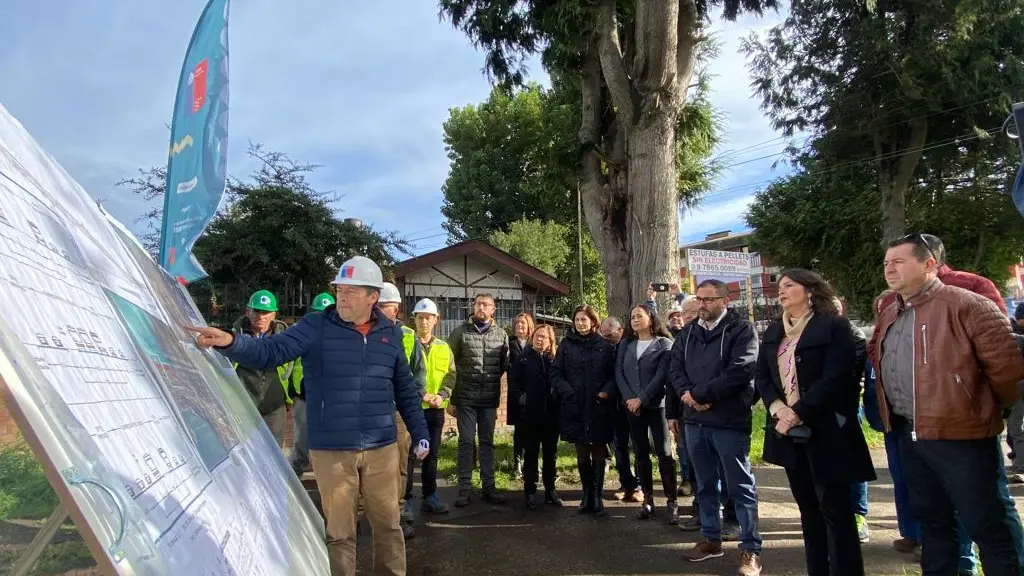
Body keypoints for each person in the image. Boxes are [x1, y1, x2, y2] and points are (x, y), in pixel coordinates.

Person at [187, 256, 429, 576]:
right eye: (339, 289)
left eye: (351, 292)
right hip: (332, 450)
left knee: (388, 527)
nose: (342, 297)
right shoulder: (316, 327)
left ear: (373, 297)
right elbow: (270, 352)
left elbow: (406, 389)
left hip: (382, 447)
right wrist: (231, 342)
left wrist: (420, 431)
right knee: (340, 532)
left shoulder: (392, 336)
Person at [873, 234, 1024, 576]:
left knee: (988, 522)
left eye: (898, 261)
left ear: (929, 264)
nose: (889, 269)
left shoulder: (968, 304)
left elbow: (1007, 372)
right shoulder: (891, 311)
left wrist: (975, 409)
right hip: (911, 434)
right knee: (934, 521)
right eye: (886, 262)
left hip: (963, 435)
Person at [756, 269, 875, 576]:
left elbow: (836, 378)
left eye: (789, 285)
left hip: (827, 431)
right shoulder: (773, 331)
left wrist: (800, 411)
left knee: (836, 511)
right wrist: (778, 409)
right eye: (779, 287)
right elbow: (763, 377)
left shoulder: (834, 326)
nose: (781, 291)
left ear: (810, 291)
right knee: (808, 512)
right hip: (788, 432)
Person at [670, 279, 762, 576]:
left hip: (728, 419)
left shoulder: (741, 330)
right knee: (706, 485)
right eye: (700, 298)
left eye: (709, 299)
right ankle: (711, 538)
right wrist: (688, 395)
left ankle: (750, 549)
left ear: (725, 300)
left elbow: (741, 370)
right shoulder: (688, 333)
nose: (702, 304)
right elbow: (676, 368)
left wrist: (701, 395)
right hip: (695, 421)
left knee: (740, 486)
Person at [616, 303, 678, 523]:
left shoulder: (664, 344)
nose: (634, 319)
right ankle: (648, 500)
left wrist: (641, 398)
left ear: (651, 318)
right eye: (632, 316)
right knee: (640, 452)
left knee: (663, 452)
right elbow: (619, 373)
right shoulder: (626, 344)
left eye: (639, 316)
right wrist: (629, 399)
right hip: (632, 407)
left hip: (656, 406)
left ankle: (671, 501)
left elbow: (662, 376)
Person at [553, 305, 617, 516]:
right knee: (581, 452)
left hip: (598, 406)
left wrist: (605, 392)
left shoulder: (605, 346)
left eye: (584, 320)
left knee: (599, 451)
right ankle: (586, 494)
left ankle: (598, 497)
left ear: (593, 322)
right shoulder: (566, 345)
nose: (580, 323)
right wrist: (567, 392)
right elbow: (556, 372)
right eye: (577, 320)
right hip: (574, 406)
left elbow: (613, 375)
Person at [449, 293, 510, 507]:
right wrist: (449, 398)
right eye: (478, 304)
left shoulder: (501, 335)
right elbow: (449, 366)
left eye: (486, 305)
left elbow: (503, 365)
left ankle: (489, 487)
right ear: (474, 307)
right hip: (465, 398)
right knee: (466, 441)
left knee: (487, 443)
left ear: (493, 310)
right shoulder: (459, 333)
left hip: (488, 400)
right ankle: (464, 489)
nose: (481, 308)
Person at [377, 282, 427, 540]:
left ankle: (400, 513)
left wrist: (410, 403)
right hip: (372, 410)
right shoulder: (363, 332)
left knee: (399, 466)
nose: (392, 312)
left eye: (394, 308)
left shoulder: (407, 335)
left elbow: (419, 376)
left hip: (398, 411)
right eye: (387, 307)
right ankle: (360, 514)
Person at [231, 289, 302, 447]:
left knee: (274, 451)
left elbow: (297, 367)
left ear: (274, 314)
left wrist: (294, 396)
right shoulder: (234, 338)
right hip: (242, 405)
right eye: (256, 311)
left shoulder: (286, 339)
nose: (261, 317)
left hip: (275, 407)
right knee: (244, 449)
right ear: (247, 312)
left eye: (266, 312)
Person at [407, 298, 454, 516]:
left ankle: (430, 495)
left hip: (435, 409)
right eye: (420, 317)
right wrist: (422, 394)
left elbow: (452, 375)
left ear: (436, 320)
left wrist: (442, 395)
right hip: (412, 408)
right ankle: (404, 499)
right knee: (408, 455)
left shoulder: (444, 347)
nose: (424, 321)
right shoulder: (406, 344)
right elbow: (403, 375)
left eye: (428, 318)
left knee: (431, 454)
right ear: (415, 319)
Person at [509, 324, 562, 509]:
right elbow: (514, 383)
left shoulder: (555, 359)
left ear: (550, 341)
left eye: (543, 337)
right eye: (537, 336)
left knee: (550, 454)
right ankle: (530, 492)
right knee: (531, 454)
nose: (539, 340)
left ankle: (550, 490)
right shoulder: (523, 358)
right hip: (529, 416)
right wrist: (523, 398)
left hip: (551, 416)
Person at [289, 291, 335, 476]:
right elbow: (289, 363)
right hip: (305, 396)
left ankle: (328, 481)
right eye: (318, 312)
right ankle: (295, 478)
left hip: (331, 400)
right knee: (301, 441)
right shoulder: (303, 333)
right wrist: (290, 392)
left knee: (330, 445)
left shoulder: (341, 336)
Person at [599, 316, 642, 503]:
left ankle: (640, 486)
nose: (607, 338)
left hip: (633, 403)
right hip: (614, 406)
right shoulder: (605, 350)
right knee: (619, 446)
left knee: (639, 445)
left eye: (610, 335)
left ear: (620, 329)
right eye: (604, 336)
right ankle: (627, 484)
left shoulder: (632, 346)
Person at [508, 313, 535, 480]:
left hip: (533, 391)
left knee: (532, 429)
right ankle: (517, 463)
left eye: (523, 324)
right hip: (516, 392)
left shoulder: (534, 342)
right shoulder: (509, 343)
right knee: (519, 430)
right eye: (517, 323)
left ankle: (530, 463)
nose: (520, 326)